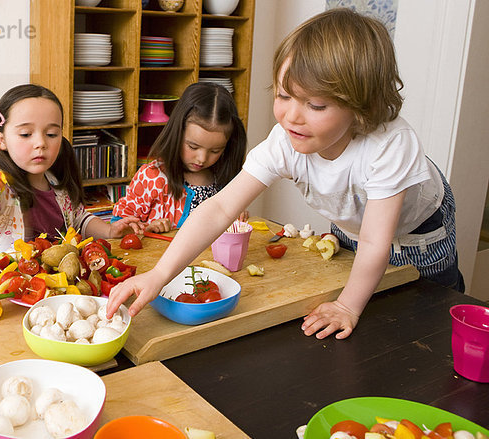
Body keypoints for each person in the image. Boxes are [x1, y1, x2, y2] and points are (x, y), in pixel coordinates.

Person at [106, 8, 464, 339]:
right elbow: (218, 208)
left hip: (419, 232)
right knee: (376, 305)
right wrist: (158, 275)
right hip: (358, 221)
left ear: (361, 105)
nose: (292, 116)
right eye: (283, 95)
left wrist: (346, 306)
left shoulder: (390, 145)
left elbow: (376, 242)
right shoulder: (287, 139)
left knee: (428, 311)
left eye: (316, 104)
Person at [0, 84, 142, 259]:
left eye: (51, 134)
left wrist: (109, 231)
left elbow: (79, 220)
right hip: (2, 281)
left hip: (53, 280)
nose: (41, 143)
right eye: (25, 134)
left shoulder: (56, 182)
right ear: (2, 139)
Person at [111, 82, 247, 233]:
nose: (202, 158)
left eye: (215, 150)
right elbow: (119, 228)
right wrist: (147, 229)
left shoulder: (224, 180)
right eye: (193, 147)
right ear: (177, 134)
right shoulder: (152, 178)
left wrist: (237, 217)